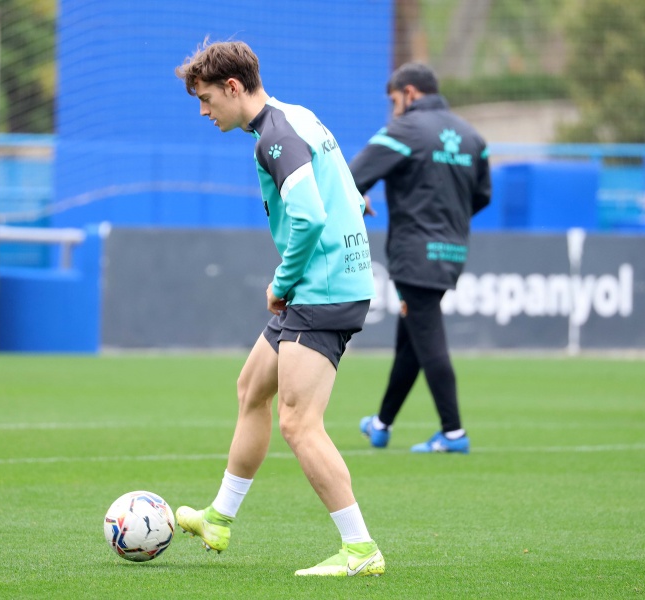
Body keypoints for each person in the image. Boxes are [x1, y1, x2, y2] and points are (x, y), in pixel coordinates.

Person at [173, 39, 384, 577]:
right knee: (252, 389)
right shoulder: (295, 116)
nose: (204, 112)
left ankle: (360, 549)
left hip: (322, 288)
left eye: (206, 99)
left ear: (232, 87)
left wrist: (281, 282)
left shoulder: (274, 137)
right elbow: (346, 189)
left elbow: (309, 217)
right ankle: (219, 518)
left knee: (298, 422)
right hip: (326, 280)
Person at [349, 62, 491, 454]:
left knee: (428, 340)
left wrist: (359, 197)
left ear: (409, 93)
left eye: (394, 100)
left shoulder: (405, 130)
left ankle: (453, 433)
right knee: (412, 340)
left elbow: (350, 177)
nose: (393, 109)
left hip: (414, 253)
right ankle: (381, 424)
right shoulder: (473, 137)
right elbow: (482, 196)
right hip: (452, 251)